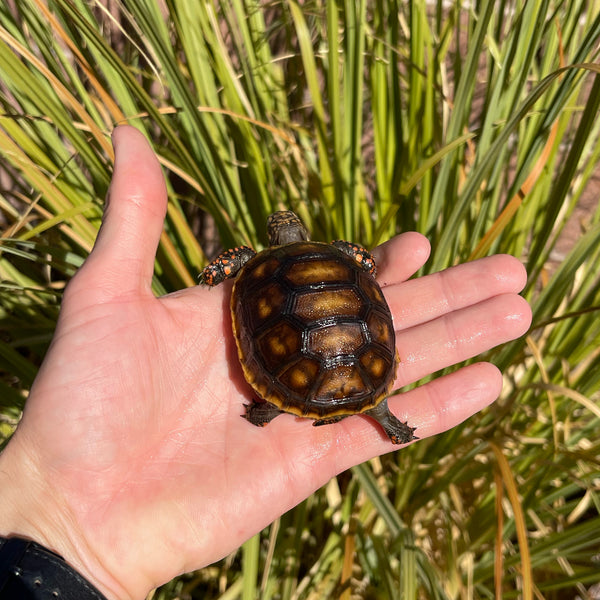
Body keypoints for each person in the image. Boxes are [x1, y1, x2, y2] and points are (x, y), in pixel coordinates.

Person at [0, 126, 532, 600]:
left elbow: (238, 272)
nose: (282, 225)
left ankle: (273, 408)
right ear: (296, 234)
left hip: (292, 372)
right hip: (365, 365)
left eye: (282, 223)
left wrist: (218, 271)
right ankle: (381, 412)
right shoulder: (341, 256)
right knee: (364, 381)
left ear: (277, 234)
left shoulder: (253, 266)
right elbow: (363, 266)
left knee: (286, 384)